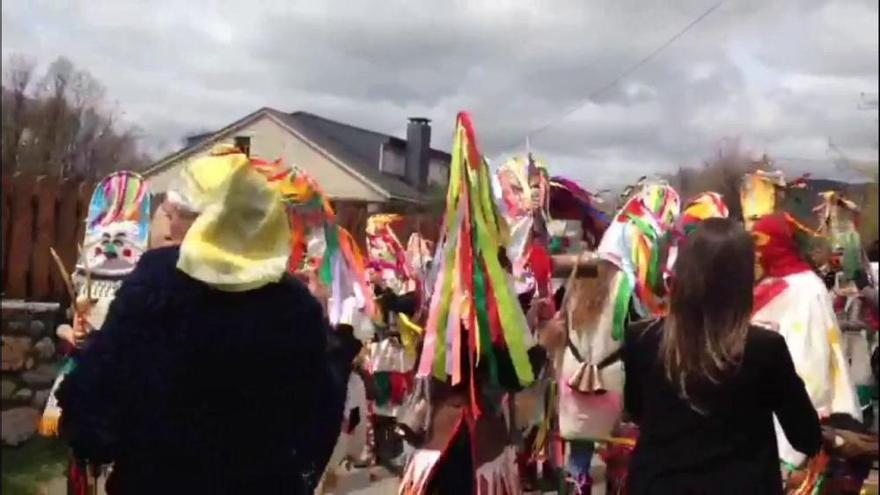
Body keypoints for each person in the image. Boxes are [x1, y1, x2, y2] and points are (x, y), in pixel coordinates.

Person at [57, 146, 349, 494]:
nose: (167, 219)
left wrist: (92, 436)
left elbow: (98, 395)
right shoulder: (296, 304)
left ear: (204, 221)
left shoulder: (157, 282)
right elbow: (321, 414)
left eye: (175, 212)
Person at [623, 218, 822, 494]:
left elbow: (636, 409)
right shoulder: (765, 348)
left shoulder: (641, 339)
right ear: (741, 280)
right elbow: (807, 437)